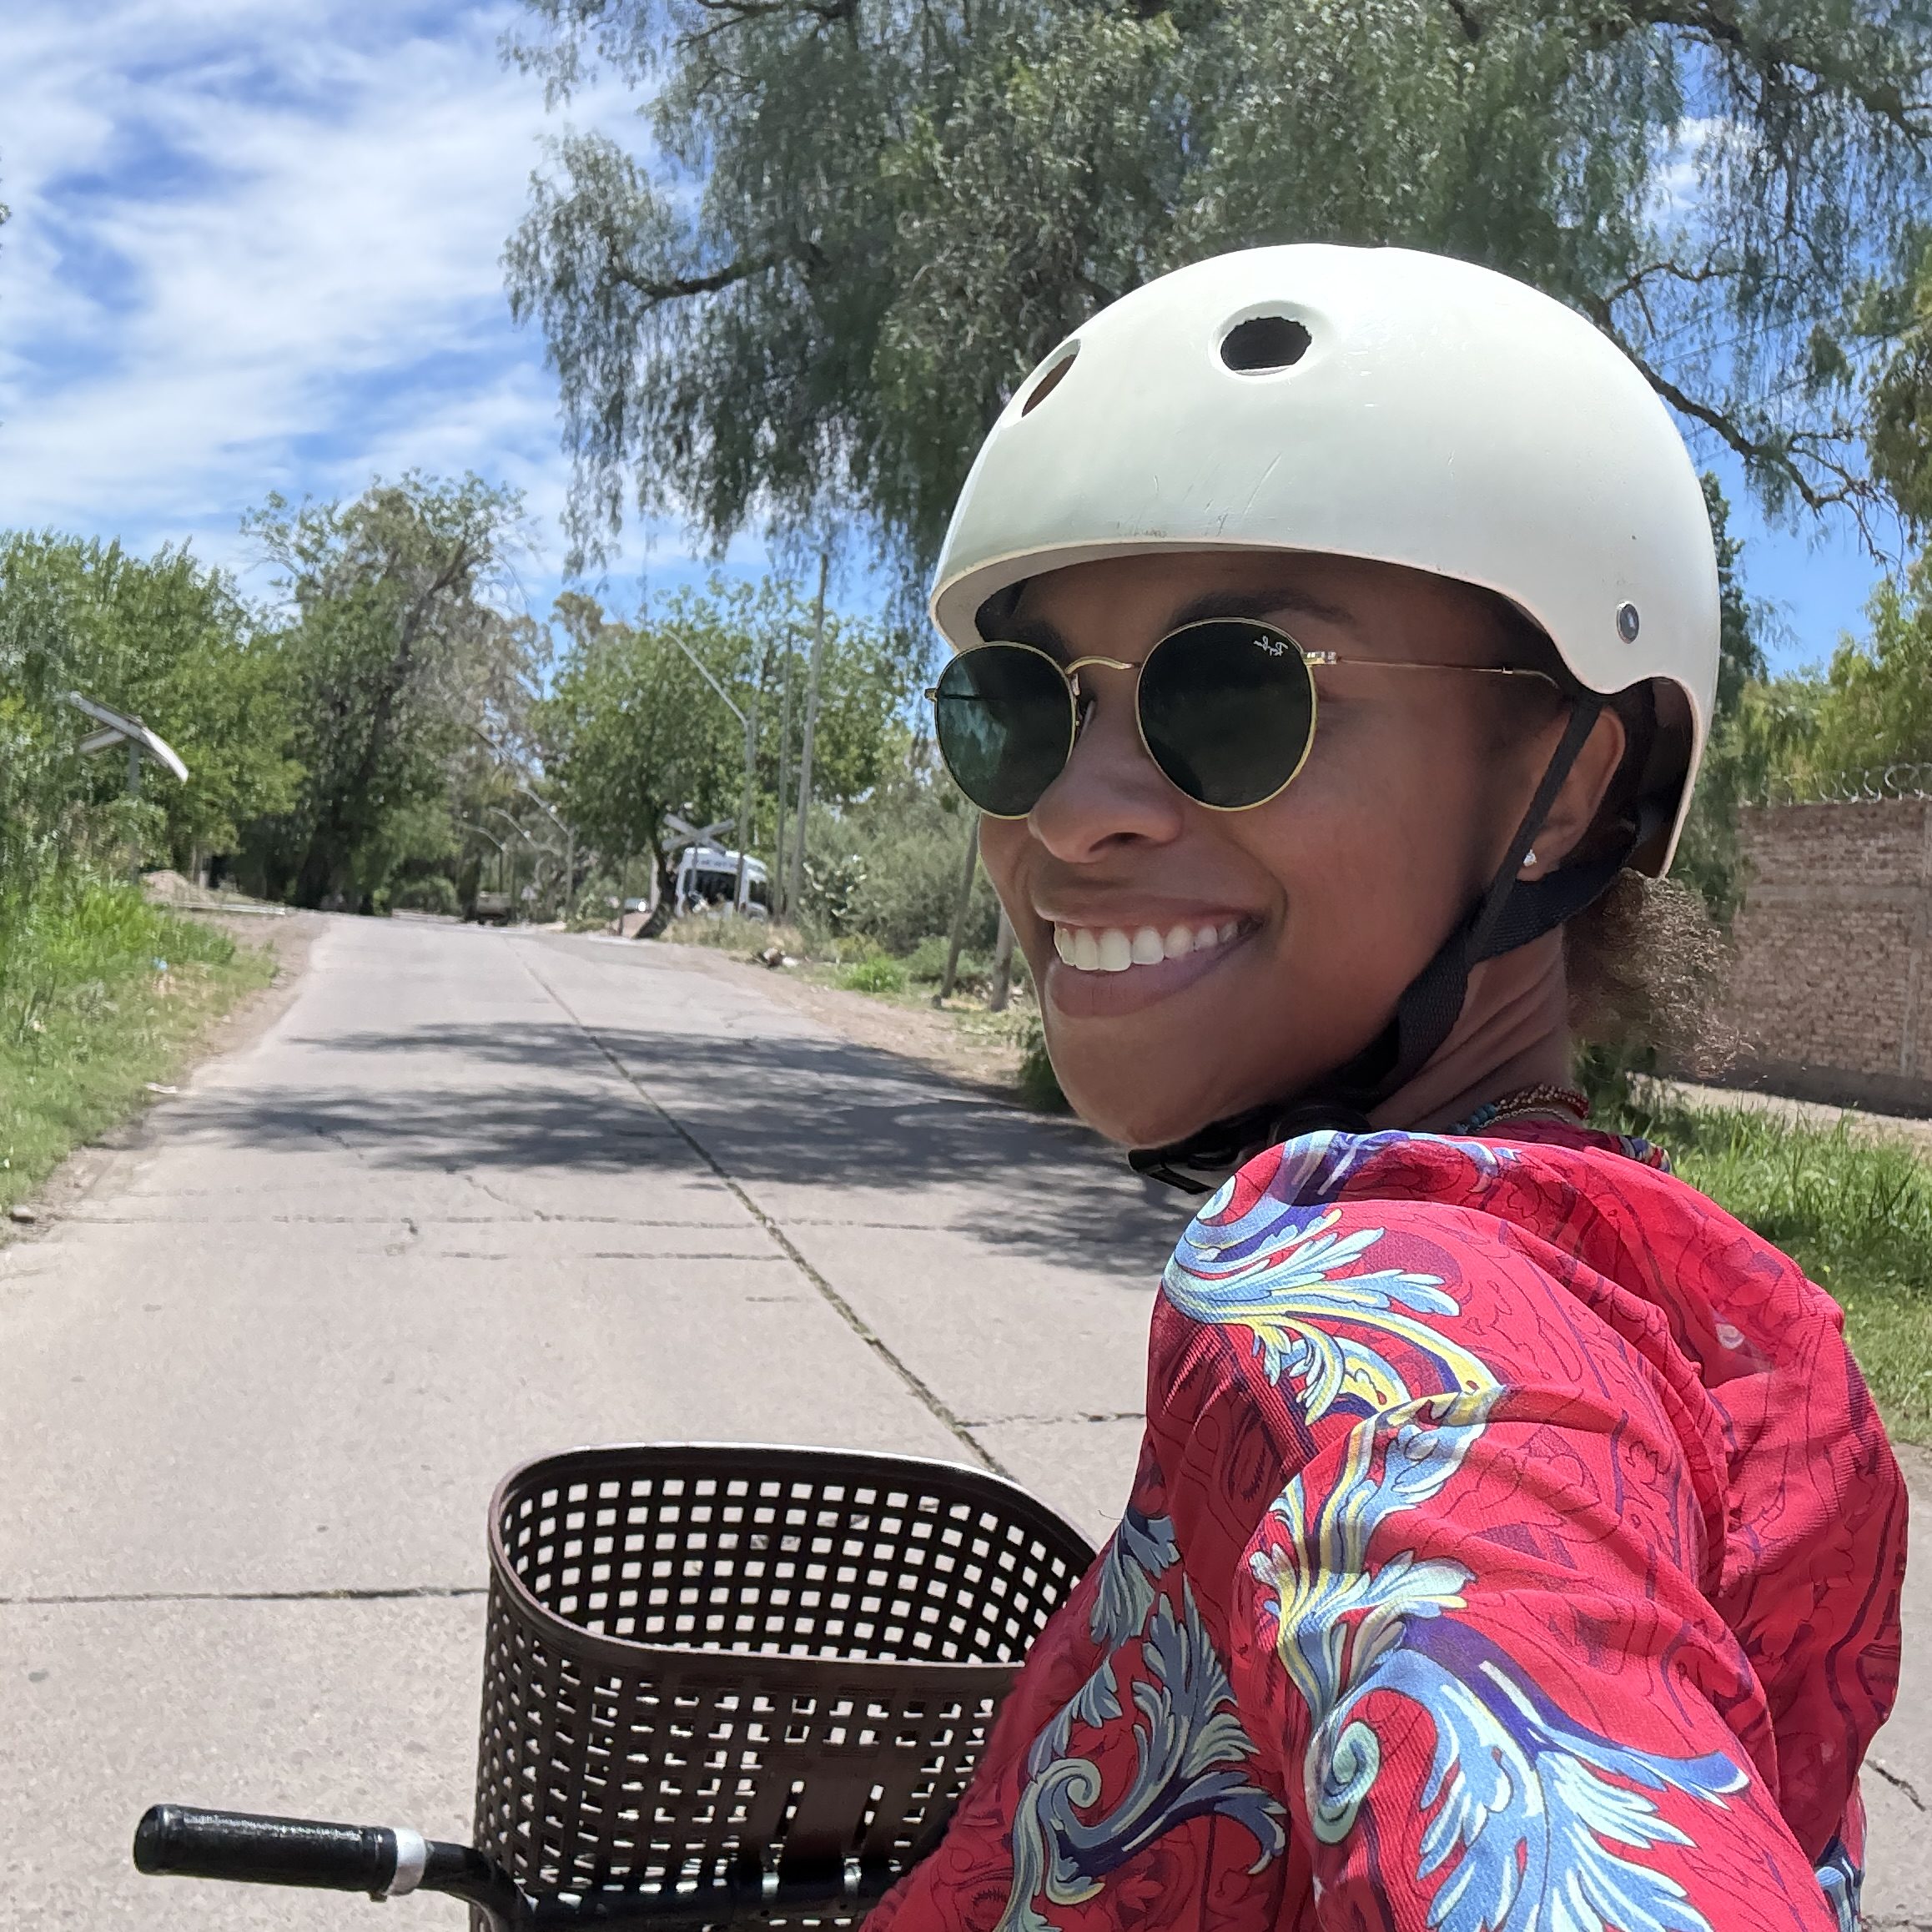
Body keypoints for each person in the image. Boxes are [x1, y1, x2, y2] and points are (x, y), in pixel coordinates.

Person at [870, 246, 1906, 1932]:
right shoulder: (1619, 1259)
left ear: (1567, 786)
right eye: (1019, 709)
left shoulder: (1396, 1338)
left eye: (1237, 691)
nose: (1069, 811)